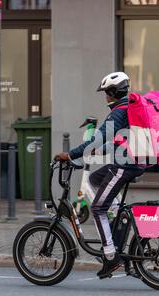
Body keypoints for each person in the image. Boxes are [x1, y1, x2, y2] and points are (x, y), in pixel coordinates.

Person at [56, 72, 145, 279]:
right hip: (133, 162)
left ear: (113, 92)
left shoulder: (117, 112)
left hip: (125, 165)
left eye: (106, 92)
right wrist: (99, 151)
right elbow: (120, 139)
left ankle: (111, 255)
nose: (105, 97)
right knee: (95, 179)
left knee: (97, 207)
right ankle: (118, 214)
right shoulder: (129, 108)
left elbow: (95, 140)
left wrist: (69, 154)